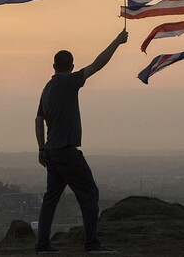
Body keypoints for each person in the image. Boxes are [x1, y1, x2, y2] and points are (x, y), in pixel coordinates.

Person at [34, 29, 128, 255]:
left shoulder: (47, 88)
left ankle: (42, 245)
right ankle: (92, 243)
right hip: (66, 152)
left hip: (52, 152)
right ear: (72, 66)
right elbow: (97, 65)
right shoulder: (68, 82)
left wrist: (41, 148)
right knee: (90, 194)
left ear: (53, 66)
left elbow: (38, 119)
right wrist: (117, 41)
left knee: (51, 198)